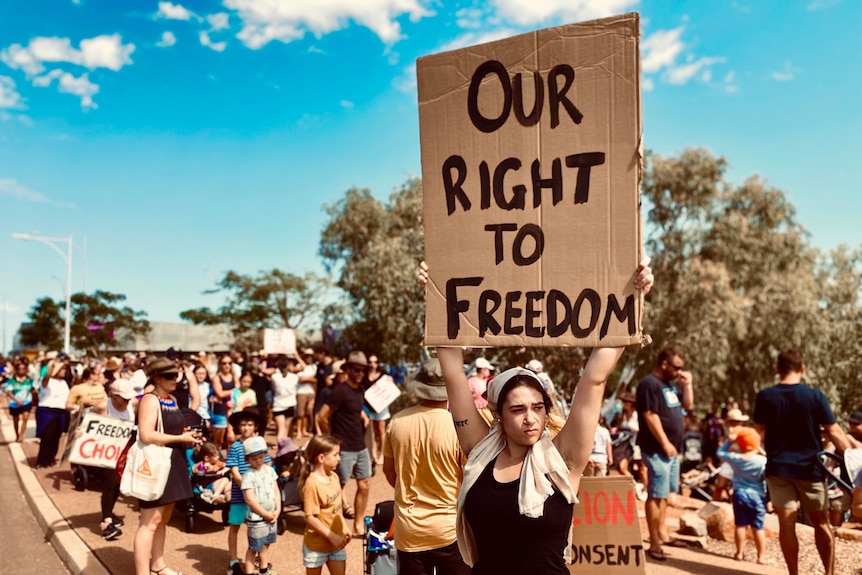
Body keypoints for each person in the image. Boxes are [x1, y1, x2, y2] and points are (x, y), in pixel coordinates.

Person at [418, 258, 654, 574]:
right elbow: (453, 374)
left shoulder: (563, 458)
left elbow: (595, 378)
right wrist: (435, 294)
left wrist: (631, 296)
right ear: (497, 414)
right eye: (517, 409)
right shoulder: (479, 451)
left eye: (537, 407)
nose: (530, 417)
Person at [753, 349, 850, 575]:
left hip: (778, 469)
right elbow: (833, 429)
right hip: (809, 469)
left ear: (778, 370)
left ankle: (793, 574)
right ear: (802, 369)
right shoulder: (815, 396)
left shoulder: (765, 396)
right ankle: (829, 573)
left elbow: (760, 428)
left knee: (786, 525)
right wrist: (850, 457)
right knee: (822, 524)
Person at [383, 358, 470, 575]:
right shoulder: (457, 426)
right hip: (448, 528)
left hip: (408, 528)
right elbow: (469, 478)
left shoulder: (397, 421)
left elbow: (388, 471)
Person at [133, 357, 202, 575]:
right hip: (155, 466)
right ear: (156, 377)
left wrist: (185, 435)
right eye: (170, 375)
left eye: (177, 375)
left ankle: (158, 564)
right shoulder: (150, 400)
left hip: (173, 463)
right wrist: (181, 439)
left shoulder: (170, 399)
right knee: (149, 522)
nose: (176, 379)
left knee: (163, 519)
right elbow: (146, 434)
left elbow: (168, 430)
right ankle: (143, 572)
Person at [635, 345, 694, 561]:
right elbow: (650, 415)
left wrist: (688, 386)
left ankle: (662, 533)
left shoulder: (670, 385)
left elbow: (687, 405)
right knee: (655, 494)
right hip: (657, 449)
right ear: (664, 364)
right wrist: (665, 442)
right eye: (677, 367)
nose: (680, 372)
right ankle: (655, 542)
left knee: (664, 496)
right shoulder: (649, 384)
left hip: (671, 451)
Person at [316, 350, 372, 535]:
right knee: (337, 486)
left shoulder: (359, 389)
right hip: (344, 447)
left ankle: (357, 524)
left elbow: (354, 409)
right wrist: (330, 440)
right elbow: (322, 416)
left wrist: (362, 415)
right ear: (347, 369)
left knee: (365, 484)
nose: (360, 374)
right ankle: (334, 524)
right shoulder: (340, 391)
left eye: (363, 370)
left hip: (360, 445)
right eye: (356, 370)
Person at [225, 407, 270, 575]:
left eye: (249, 424)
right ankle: (233, 560)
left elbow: (267, 464)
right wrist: (247, 486)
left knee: (258, 528)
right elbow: (234, 471)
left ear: (255, 426)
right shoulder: (236, 446)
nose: (245, 428)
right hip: (240, 494)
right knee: (235, 526)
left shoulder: (260, 443)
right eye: (242, 424)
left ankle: (259, 557)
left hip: (259, 496)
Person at [716, 427, 768, 565]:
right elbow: (768, 471)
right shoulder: (761, 461)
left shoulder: (735, 458)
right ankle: (761, 557)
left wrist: (729, 441)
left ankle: (739, 553)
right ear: (757, 443)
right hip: (757, 496)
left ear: (739, 443)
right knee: (758, 527)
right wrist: (761, 450)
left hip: (739, 494)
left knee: (740, 525)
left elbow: (720, 452)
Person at [92, 378, 136, 540]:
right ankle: (106, 521)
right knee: (109, 484)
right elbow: (87, 421)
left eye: (128, 397)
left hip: (126, 450)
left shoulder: (133, 405)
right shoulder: (103, 406)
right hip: (108, 450)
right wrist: (81, 433)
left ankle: (109, 512)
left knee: (119, 483)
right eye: (123, 398)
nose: (126, 401)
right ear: (113, 395)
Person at [300, 434, 349, 575]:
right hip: (317, 546)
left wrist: (344, 527)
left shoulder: (334, 477)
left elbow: (337, 507)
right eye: (336, 455)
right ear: (321, 458)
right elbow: (310, 517)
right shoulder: (312, 484)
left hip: (336, 544)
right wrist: (331, 536)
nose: (339, 458)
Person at [241, 435, 280, 575]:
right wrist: (264, 514)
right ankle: (250, 572)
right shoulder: (248, 475)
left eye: (261, 457)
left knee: (265, 545)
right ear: (247, 459)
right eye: (253, 458)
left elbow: (276, 490)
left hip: (272, 516)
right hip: (257, 519)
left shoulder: (270, 471)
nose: (258, 461)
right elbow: (250, 499)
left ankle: (263, 570)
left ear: (265, 455)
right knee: (254, 547)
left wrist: (278, 510)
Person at [35, 356, 72, 468]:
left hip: (61, 412)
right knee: (47, 437)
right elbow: (46, 377)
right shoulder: (47, 381)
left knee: (56, 437)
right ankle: (41, 461)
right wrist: (51, 366)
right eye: (62, 369)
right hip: (47, 411)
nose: (64, 371)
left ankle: (50, 458)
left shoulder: (64, 383)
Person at [363, 354, 391, 466]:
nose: (372, 364)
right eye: (370, 362)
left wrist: (390, 380)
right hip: (369, 407)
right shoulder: (365, 375)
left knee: (381, 430)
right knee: (372, 430)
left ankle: (382, 454)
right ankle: (373, 453)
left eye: (375, 362)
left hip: (381, 406)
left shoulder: (383, 374)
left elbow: (389, 386)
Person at [212, 354, 238, 449]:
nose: (227, 365)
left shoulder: (235, 377)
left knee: (231, 440)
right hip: (220, 411)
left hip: (232, 410)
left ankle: (229, 462)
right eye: (224, 363)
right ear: (220, 365)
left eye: (229, 363)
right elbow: (220, 394)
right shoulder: (216, 378)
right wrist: (233, 390)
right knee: (218, 441)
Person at [271, 356, 298, 443]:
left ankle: (281, 449)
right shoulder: (294, 377)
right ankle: (284, 450)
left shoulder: (274, 377)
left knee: (281, 429)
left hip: (278, 405)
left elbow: (273, 389)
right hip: (290, 404)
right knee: (286, 430)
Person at [7, 360, 35, 442]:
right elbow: (9, 392)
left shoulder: (29, 380)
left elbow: (33, 389)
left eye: (23, 369)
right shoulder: (12, 380)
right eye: (20, 369)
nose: (21, 371)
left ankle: (21, 435)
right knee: (16, 420)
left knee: (25, 418)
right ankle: (17, 434)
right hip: (14, 403)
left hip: (26, 402)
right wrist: (16, 400)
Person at [295, 348, 317, 438]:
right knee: (300, 413)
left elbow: (314, 380)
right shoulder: (299, 365)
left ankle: (304, 430)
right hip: (301, 392)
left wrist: (308, 379)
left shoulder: (314, 366)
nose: (309, 358)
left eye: (310, 356)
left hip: (310, 392)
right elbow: (301, 380)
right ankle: (299, 431)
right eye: (307, 356)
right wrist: (310, 379)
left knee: (307, 413)